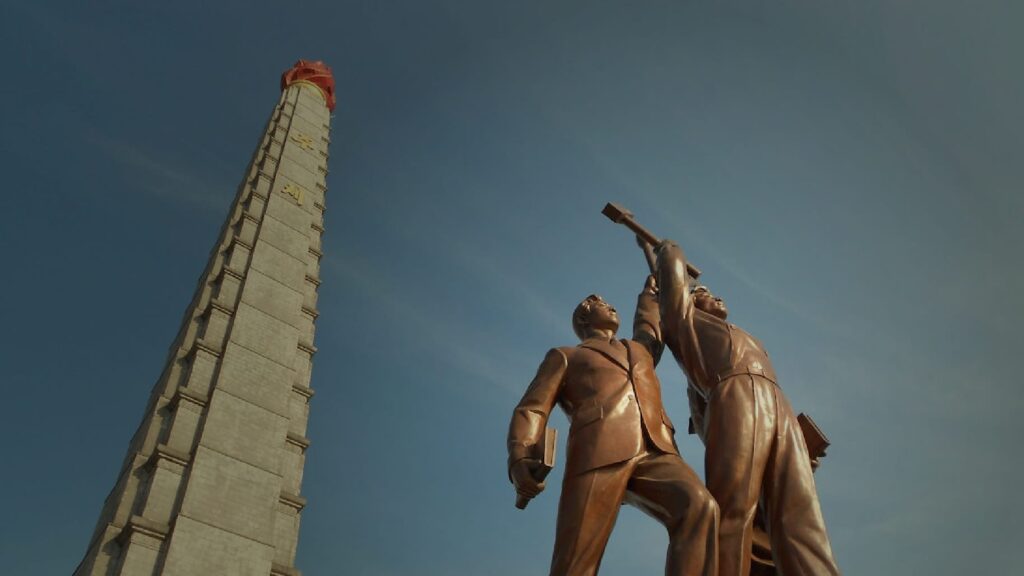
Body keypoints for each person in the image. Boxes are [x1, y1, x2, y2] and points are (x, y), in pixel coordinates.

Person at [651, 239, 840, 576]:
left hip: (776, 402)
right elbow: (672, 295)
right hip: (736, 389)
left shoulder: (742, 333)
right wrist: (668, 253)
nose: (715, 295)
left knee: (801, 517)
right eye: (703, 292)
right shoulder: (687, 326)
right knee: (734, 508)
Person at [507, 276, 718, 576]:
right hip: (598, 452)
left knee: (700, 507)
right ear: (584, 316)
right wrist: (521, 457)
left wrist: (651, 293)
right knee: (577, 560)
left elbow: (649, 326)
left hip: (655, 448)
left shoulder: (639, 350)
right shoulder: (566, 356)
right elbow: (533, 407)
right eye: (600, 304)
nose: (609, 306)